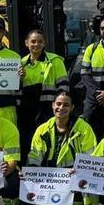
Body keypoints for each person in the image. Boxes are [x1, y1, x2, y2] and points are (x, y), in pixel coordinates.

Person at [23, 91, 98, 205]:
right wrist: (31, 173)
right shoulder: (42, 129)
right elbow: (35, 157)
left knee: (88, 177)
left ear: (72, 108)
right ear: (52, 105)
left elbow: (91, 158)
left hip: (76, 173)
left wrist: (79, 169)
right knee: (22, 182)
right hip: (52, 175)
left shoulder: (84, 128)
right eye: (58, 104)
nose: (61, 108)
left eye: (66, 105)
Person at [18, 29, 68, 160]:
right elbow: (17, 90)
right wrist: (19, 79)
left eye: (40, 41)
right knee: (29, 142)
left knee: (48, 141)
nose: (36, 44)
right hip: (28, 111)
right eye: (33, 41)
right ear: (26, 43)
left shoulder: (55, 61)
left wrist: (59, 107)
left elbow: (64, 87)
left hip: (48, 109)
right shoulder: (21, 63)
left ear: (44, 43)